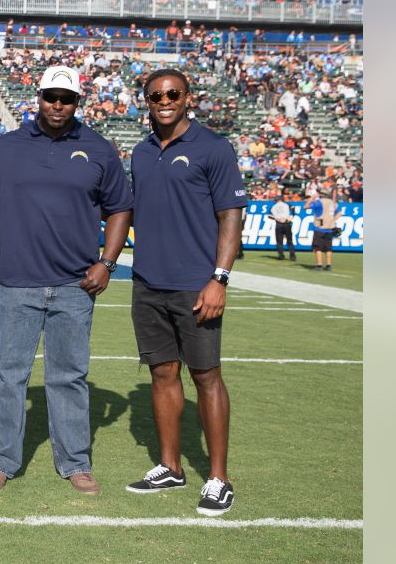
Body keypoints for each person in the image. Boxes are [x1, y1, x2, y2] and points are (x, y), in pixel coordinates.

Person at [0, 65, 133, 496]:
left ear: (78, 102)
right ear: (38, 96)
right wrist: (14, 208)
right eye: (51, 96)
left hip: (75, 284)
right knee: (10, 376)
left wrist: (108, 262)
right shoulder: (4, 147)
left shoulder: (99, 149)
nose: (58, 105)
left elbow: (120, 207)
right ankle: (1, 461)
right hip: (17, 280)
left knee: (69, 376)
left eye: (66, 98)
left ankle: (75, 463)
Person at [126, 68, 246, 517]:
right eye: (156, 94)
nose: (165, 100)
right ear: (147, 100)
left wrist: (220, 278)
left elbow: (231, 217)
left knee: (206, 375)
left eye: (173, 93)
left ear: (188, 97)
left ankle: (218, 478)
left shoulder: (213, 147)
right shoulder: (139, 152)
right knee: (161, 374)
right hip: (147, 283)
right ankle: (170, 466)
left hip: (197, 285)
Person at [310, 189, 338, 271]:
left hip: (320, 228)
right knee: (328, 248)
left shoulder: (319, 202)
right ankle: (329, 265)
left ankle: (319, 265)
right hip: (329, 228)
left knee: (317, 248)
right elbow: (339, 212)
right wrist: (333, 220)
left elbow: (306, 206)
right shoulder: (332, 203)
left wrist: (312, 198)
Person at [270, 195, 297, 261]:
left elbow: (269, 216)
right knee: (290, 241)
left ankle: (281, 256)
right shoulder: (286, 204)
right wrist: (292, 217)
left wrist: (277, 218)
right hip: (287, 223)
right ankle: (292, 256)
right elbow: (293, 208)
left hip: (279, 224)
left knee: (279, 241)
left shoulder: (274, 207)